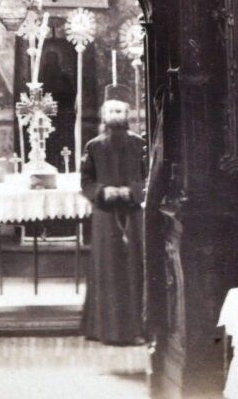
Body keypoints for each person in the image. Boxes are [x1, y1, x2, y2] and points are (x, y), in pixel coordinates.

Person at [80, 95, 145, 344]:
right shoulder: (93, 146)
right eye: (112, 111)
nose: (116, 116)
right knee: (107, 268)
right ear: (104, 116)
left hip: (132, 214)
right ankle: (103, 330)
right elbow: (86, 180)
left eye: (120, 111)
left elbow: (148, 177)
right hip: (105, 215)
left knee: (132, 267)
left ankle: (135, 329)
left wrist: (132, 191)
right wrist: (102, 191)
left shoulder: (139, 144)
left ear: (127, 115)